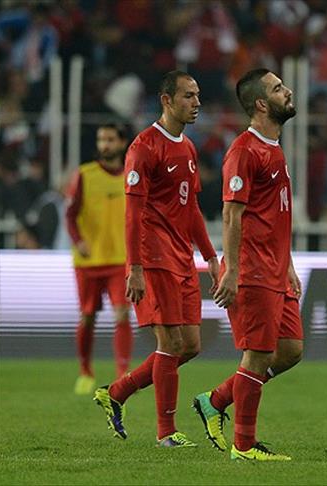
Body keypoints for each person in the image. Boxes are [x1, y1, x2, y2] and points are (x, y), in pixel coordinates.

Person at [93, 71, 219, 448]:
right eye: (188, 96)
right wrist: (135, 268)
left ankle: (116, 392)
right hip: (152, 256)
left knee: (190, 345)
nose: (196, 103)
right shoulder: (144, 147)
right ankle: (166, 432)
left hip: (181, 257)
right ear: (166, 100)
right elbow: (132, 214)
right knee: (169, 342)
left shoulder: (188, 148)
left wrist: (210, 256)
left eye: (197, 95)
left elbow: (191, 208)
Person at [191, 68, 303, 461]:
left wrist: (288, 264)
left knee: (290, 350)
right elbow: (231, 214)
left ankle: (215, 401)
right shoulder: (244, 151)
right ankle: (244, 445)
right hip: (252, 268)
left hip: (275, 267)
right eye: (278, 88)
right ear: (261, 104)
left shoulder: (274, 148)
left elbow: (274, 215)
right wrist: (234, 270)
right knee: (257, 354)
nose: (287, 91)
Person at [65, 124, 131, 395]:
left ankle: (122, 375)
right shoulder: (84, 174)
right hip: (89, 261)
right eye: (101, 139)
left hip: (120, 259)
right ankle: (85, 371)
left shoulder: (131, 176)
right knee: (88, 316)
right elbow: (70, 214)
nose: (104, 144)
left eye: (110, 139)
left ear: (122, 143)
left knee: (122, 313)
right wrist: (78, 241)